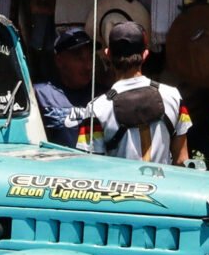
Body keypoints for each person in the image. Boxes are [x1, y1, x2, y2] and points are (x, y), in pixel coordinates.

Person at [87, 21, 190, 164]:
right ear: (145, 54)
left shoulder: (96, 109)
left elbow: (89, 168)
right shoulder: (173, 96)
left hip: (121, 186)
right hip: (166, 186)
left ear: (108, 54)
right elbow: (182, 160)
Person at [37, 26, 95, 147]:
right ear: (59, 61)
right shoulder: (41, 95)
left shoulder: (103, 95)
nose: (88, 66)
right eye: (79, 59)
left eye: (90, 58)